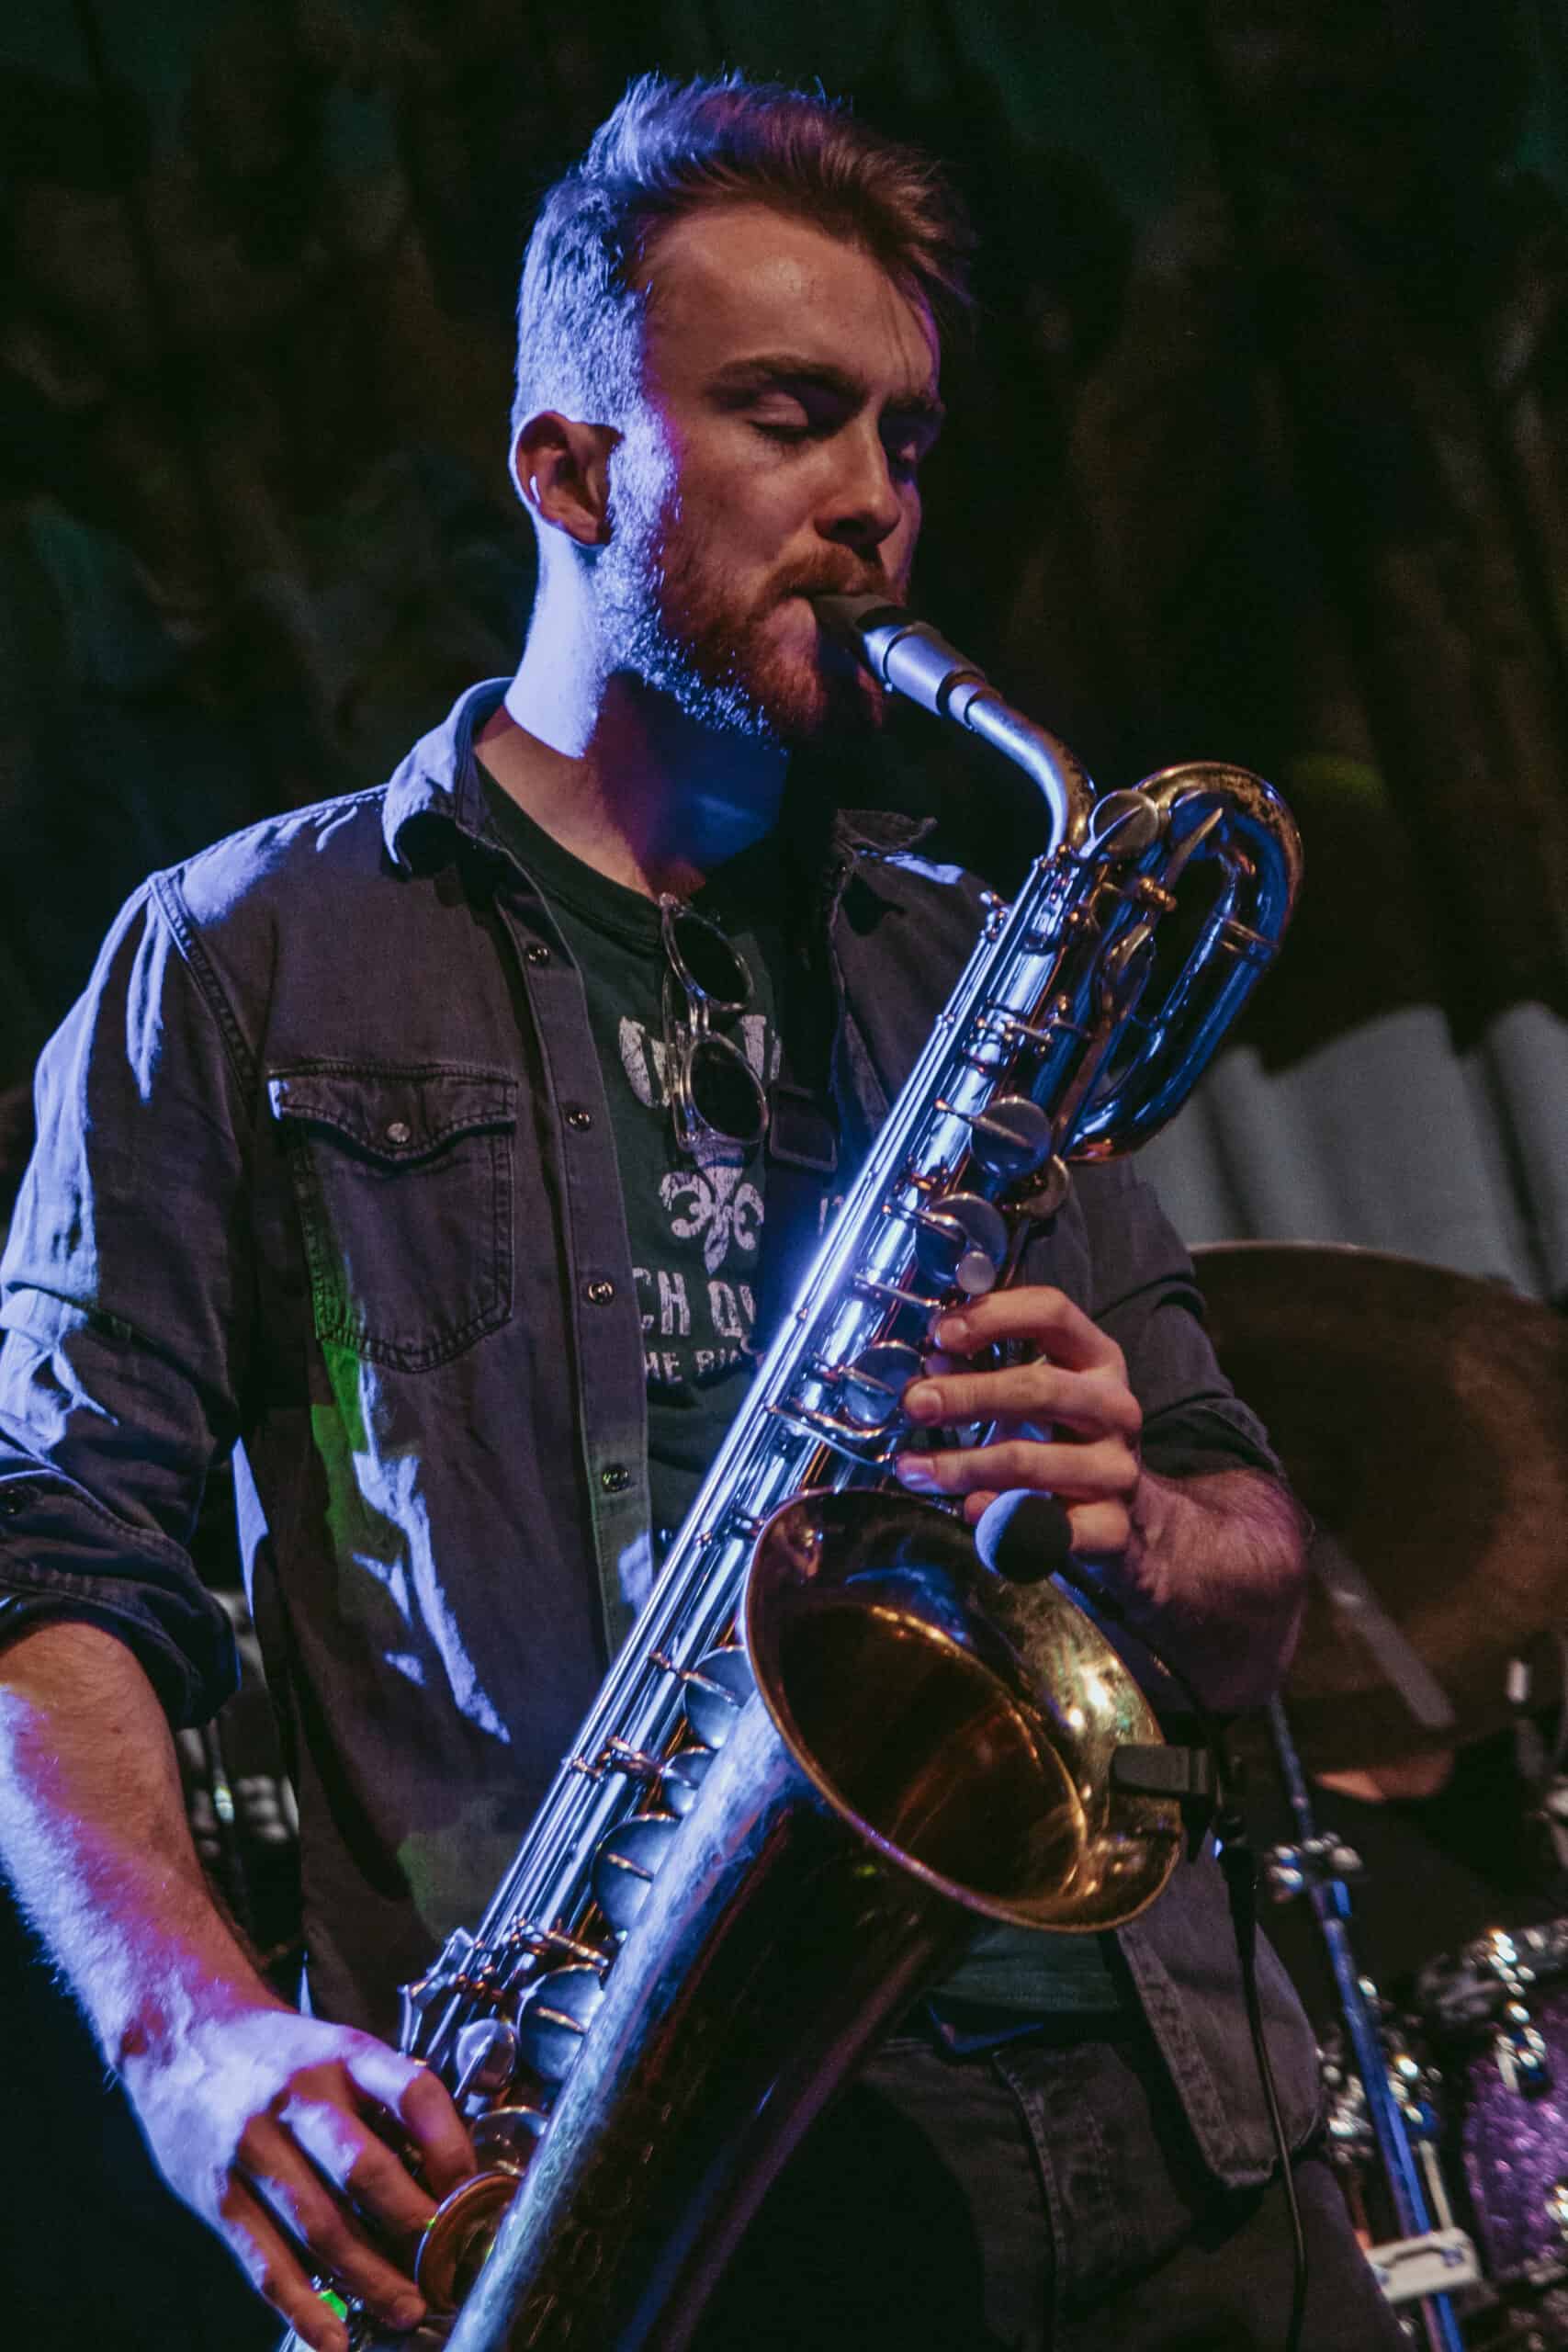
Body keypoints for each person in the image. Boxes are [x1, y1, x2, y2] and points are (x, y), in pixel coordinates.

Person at [0, 73, 1401, 2352]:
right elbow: (50, 1564)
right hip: (662, 2180)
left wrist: (1139, 1517)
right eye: (787, 414)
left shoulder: (979, 960)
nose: (872, 502)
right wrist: (189, 2040)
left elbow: (1247, 1580)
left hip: (1169, 2161)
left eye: (905, 438)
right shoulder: (242, 957)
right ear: (568, 473)